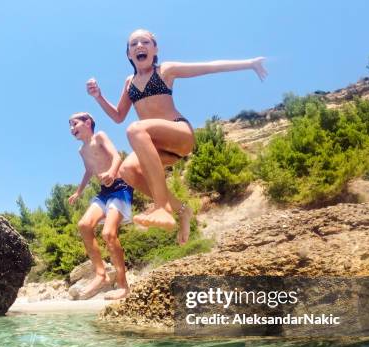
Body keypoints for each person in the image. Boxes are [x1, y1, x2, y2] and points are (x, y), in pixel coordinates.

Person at [87, 29, 267, 243]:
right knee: (126, 170)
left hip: (178, 133)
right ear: (128, 54)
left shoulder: (165, 70)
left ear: (155, 49)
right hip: (157, 147)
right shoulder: (129, 82)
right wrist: (98, 97)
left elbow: (209, 67)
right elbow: (118, 116)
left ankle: (161, 207)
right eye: (134, 44)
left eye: (145, 42)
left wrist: (250, 63)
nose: (139, 46)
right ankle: (182, 211)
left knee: (135, 129)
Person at [67, 112, 132, 300]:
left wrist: (112, 172)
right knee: (84, 225)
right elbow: (89, 170)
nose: (72, 129)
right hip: (104, 193)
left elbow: (116, 156)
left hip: (120, 188)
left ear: (88, 122)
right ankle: (100, 274)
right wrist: (79, 191)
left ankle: (123, 285)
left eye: (74, 124)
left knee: (108, 234)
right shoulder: (82, 150)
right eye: (70, 126)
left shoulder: (100, 136)